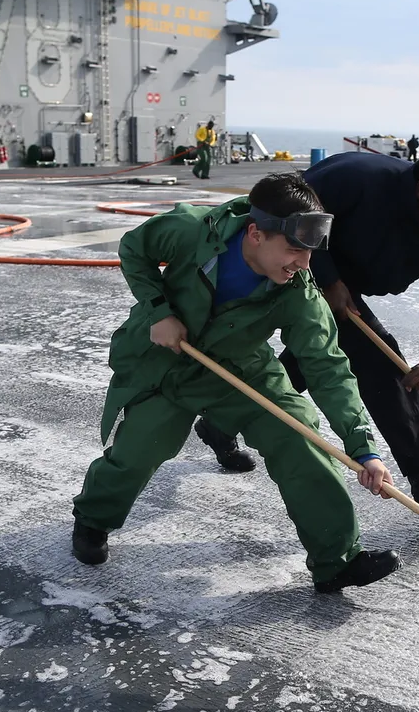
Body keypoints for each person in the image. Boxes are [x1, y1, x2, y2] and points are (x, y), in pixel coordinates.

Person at [70, 172, 400, 595]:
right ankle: (94, 518)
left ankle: (336, 560)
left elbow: (327, 368)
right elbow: (135, 248)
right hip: (168, 359)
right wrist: (158, 311)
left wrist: (363, 448)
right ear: (255, 233)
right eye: (294, 249)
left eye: (311, 253)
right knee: (137, 452)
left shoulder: (298, 292)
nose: (303, 263)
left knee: (299, 437)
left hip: (241, 366)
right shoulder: (192, 231)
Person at [195, 150, 419, 518]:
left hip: (346, 285)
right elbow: (296, 214)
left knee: (309, 360)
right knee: (377, 360)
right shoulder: (358, 178)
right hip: (292, 265)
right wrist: (328, 278)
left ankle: (221, 423)